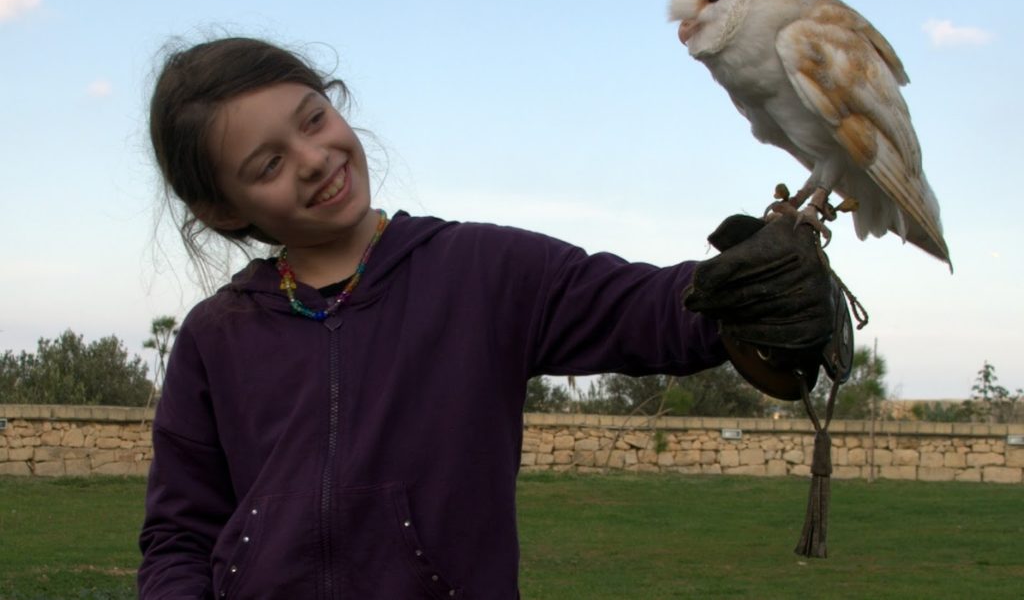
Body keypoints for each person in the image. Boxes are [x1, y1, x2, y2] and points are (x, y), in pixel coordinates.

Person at [138, 36, 845, 599]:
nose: (314, 158)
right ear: (223, 210)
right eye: (267, 164)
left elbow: (645, 306)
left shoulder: (479, 270)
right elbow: (179, 533)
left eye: (313, 119)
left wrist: (740, 291)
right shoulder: (214, 336)